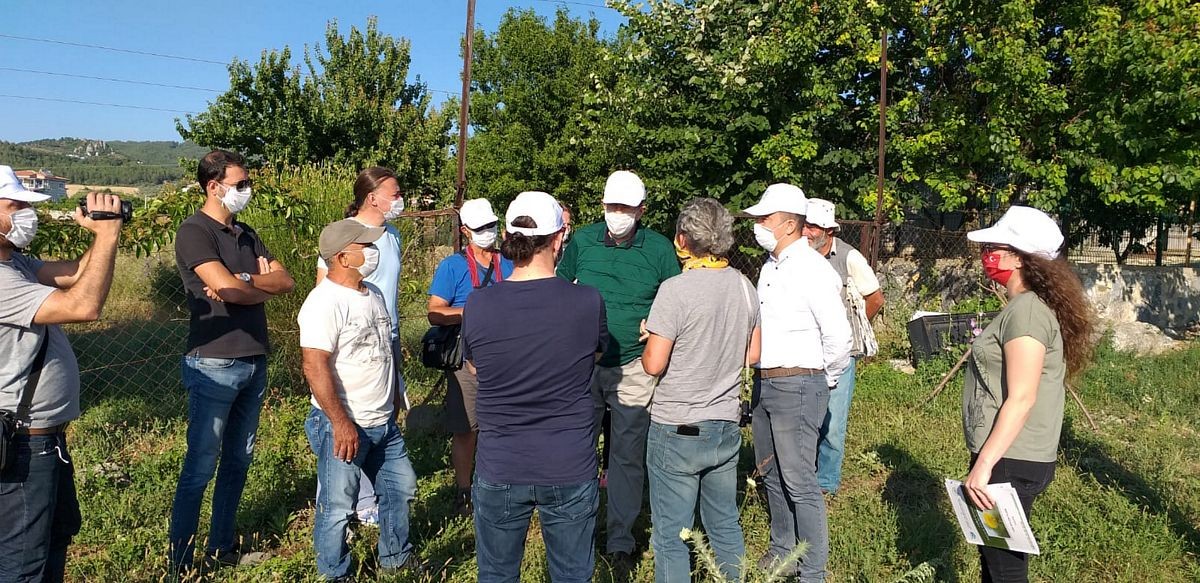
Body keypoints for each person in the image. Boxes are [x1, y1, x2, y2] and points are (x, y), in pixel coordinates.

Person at [462, 191, 607, 582]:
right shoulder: (588, 301)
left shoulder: (478, 304)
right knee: (572, 574)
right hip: (568, 461)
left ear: (507, 237)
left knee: (496, 574)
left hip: (501, 461)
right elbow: (593, 357)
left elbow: (475, 368)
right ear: (559, 238)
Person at [169, 150, 295, 573]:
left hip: (254, 358)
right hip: (213, 363)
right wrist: (254, 286)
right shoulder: (194, 232)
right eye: (239, 184)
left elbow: (286, 280)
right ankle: (182, 561)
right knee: (201, 465)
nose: (246, 191)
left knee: (238, 460)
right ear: (213, 186)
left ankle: (222, 547)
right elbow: (231, 286)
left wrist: (244, 282)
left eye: (246, 183)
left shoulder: (246, 232)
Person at [0, 166, 123, 582]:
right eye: (16, 206)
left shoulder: (13, 261)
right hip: (22, 442)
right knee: (22, 561)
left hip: (44, 438)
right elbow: (82, 306)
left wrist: (102, 231)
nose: (26, 215)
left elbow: (73, 274)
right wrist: (107, 238)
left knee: (54, 540)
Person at [556, 170, 680, 575]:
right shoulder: (583, 242)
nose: (618, 214)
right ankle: (577, 529)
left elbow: (676, 300)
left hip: (635, 365)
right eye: (612, 206)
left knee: (627, 457)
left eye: (626, 208)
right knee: (577, 450)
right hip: (584, 363)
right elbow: (559, 287)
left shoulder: (660, 250)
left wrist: (658, 324)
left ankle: (621, 539)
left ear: (642, 210)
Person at [962, 206, 1093, 582]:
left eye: (994, 247)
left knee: (1004, 569)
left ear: (1019, 257)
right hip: (1008, 455)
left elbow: (1022, 396)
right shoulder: (1024, 307)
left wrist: (984, 464)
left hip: (1009, 460)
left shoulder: (1028, 313)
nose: (987, 255)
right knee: (995, 562)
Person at [641, 198, 761, 582]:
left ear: (682, 239)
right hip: (723, 424)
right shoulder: (745, 287)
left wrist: (651, 336)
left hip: (675, 425)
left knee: (672, 534)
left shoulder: (675, 290)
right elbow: (753, 353)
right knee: (724, 523)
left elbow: (654, 364)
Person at [299, 219, 419, 581]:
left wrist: (396, 393)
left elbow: (388, 347)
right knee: (337, 506)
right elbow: (314, 365)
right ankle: (335, 573)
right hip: (346, 423)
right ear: (343, 257)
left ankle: (396, 557)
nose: (373, 252)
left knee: (401, 487)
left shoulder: (373, 295)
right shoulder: (324, 302)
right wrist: (340, 423)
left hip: (382, 421)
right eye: (364, 246)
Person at [743, 183, 851, 582]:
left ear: (790, 224)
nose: (757, 225)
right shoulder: (770, 266)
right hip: (766, 381)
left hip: (800, 383)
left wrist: (822, 380)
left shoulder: (813, 269)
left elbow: (838, 337)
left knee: (800, 479)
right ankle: (782, 548)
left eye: (764, 219)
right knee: (769, 470)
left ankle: (813, 570)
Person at [314, 167, 407, 525]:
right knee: (345, 433)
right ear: (373, 197)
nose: (400, 200)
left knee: (383, 422)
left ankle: (368, 498)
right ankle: (336, 508)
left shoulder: (392, 235)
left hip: (387, 336)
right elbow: (326, 288)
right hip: (351, 344)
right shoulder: (345, 236)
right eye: (394, 193)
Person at [427, 198, 513, 516]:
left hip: (506, 357)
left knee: (504, 424)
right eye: (480, 228)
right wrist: (473, 311)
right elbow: (435, 312)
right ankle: (464, 490)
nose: (488, 232)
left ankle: (501, 484)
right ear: (465, 231)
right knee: (467, 427)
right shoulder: (453, 266)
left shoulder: (510, 262)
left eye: (491, 225)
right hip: (467, 359)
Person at [801, 198, 885, 496]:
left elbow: (875, 297)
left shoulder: (849, 258)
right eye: (804, 226)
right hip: (806, 352)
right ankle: (804, 477)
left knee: (833, 424)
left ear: (828, 230)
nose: (806, 232)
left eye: (812, 227)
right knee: (806, 418)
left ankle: (826, 484)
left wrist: (851, 332)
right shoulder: (797, 257)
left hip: (842, 354)